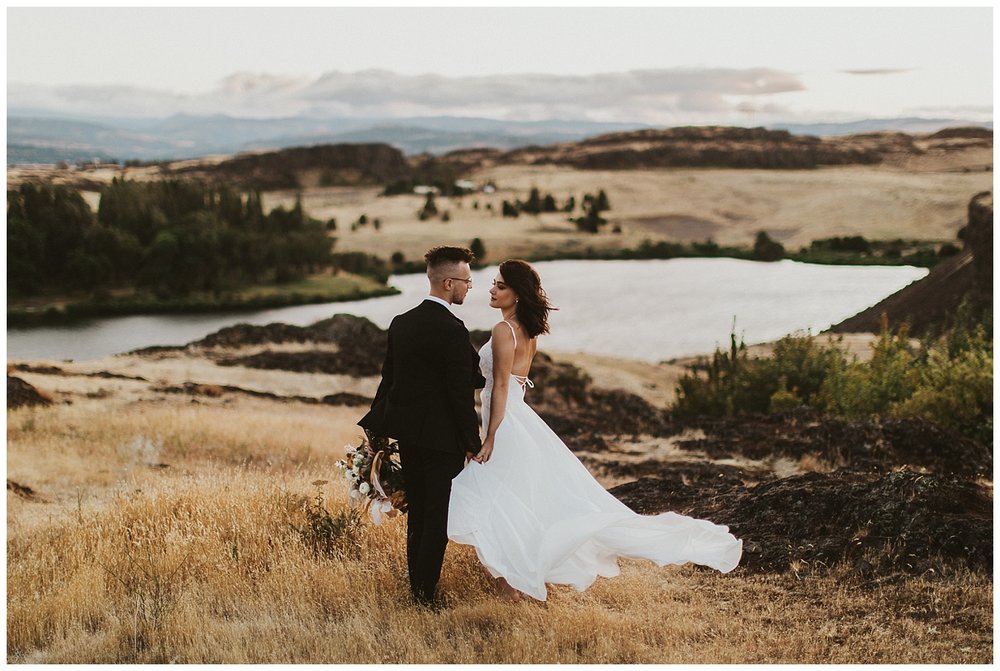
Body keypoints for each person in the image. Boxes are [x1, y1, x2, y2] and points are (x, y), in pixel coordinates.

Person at [448, 259, 743, 602]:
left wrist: (491, 437)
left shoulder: (504, 331)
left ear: (517, 294)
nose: (492, 290)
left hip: (506, 421)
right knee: (518, 501)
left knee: (497, 499)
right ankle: (520, 580)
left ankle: (514, 583)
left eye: (500, 285)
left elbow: (500, 387)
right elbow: (515, 386)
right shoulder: (527, 331)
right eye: (494, 284)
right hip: (517, 416)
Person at [359, 246, 486, 608]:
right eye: (466, 281)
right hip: (443, 443)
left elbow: (389, 381)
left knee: (418, 517)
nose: (469, 288)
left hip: (411, 439)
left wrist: (377, 430)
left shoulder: (402, 322)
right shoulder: (452, 330)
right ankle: (425, 598)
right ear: (448, 283)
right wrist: (471, 442)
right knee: (436, 520)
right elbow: (460, 394)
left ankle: (418, 590)